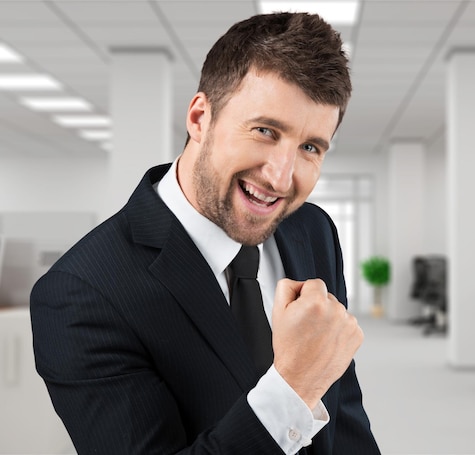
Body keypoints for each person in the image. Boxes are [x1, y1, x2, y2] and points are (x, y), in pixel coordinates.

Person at [30, 11, 381, 455]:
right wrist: (291, 388)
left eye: (310, 147)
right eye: (265, 131)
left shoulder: (312, 231)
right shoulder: (81, 293)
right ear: (200, 118)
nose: (281, 176)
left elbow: (345, 417)